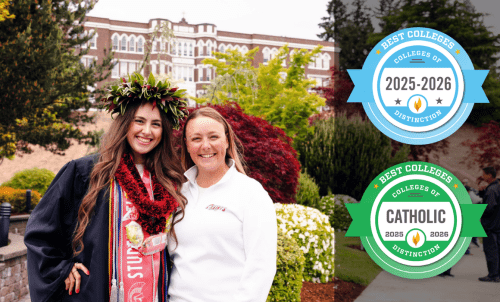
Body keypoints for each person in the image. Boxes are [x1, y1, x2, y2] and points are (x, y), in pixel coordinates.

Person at [24, 73, 188, 301]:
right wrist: (61, 268)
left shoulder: (169, 181)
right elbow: (40, 231)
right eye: (139, 121)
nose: (147, 131)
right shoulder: (87, 172)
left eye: (156, 124)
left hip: (154, 293)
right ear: (124, 123)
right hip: (98, 293)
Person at [167, 107, 277, 302]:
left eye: (213, 137)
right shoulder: (178, 193)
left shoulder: (250, 193)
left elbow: (261, 267)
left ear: (227, 140)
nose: (205, 146)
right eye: (196, 138)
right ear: (187, 144)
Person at [477, 166, 500, 282]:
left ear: (489, 175)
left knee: (491, 250)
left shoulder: (492, 189)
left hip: (490, 225)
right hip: (497, 224)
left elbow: (489, 207)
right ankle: (497, 274)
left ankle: (493, 275)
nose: (483, 176)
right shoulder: (496, 187)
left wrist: (478, 208)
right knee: (496, 250)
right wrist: (482, 193)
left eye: (484, 174)